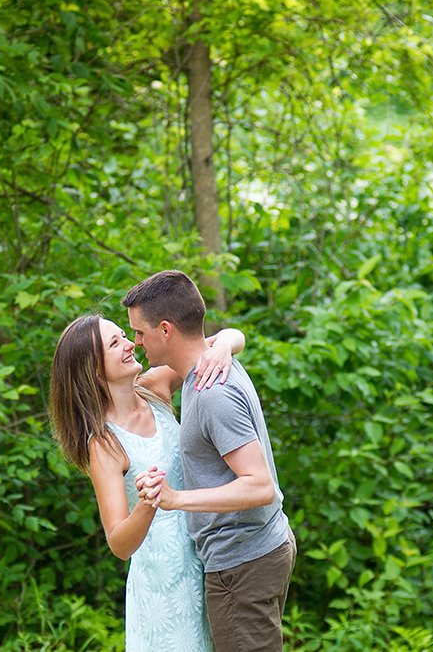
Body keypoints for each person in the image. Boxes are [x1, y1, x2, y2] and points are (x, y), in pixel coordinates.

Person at [48, 314, 247, 652]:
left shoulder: (155, 387)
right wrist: (148, 503)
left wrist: (223, 347)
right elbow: (119, 544)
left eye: (124, 335)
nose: (131, 344)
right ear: (94, 370)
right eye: (115, 343)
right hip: (163, 581)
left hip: (209, 554)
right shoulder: (105, 445)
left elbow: (234, 335)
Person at [124, 270, 294, 652]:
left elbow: (260, 485)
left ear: (165, 330)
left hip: (242, 561)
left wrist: (175, 499)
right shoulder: (205, 364)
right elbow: (230, 337)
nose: (136, 343)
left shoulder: (211, 391)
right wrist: (228, 341)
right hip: (254, 551)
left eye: (139, 332)